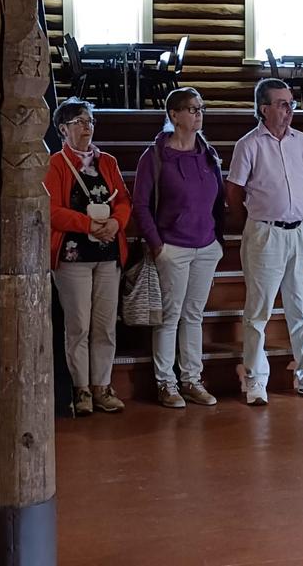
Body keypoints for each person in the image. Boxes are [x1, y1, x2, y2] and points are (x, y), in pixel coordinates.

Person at [226, 78, 303, 405]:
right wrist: (253, 222)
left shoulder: (302, 141)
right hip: (265, 233)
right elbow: (233, 191)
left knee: (301, 309)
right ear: (264, 109)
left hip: (299, 232)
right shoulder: (248, 145)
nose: (289, 109)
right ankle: (256, 378)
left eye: (291, 103)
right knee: (258, 310)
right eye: (283, 104)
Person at [133, 88, 225, 409]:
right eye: (192, 109)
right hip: (172, 247)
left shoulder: (207, 152)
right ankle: (166, 383)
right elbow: (141, 205)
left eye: (201, 108)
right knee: (170, 317)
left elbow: (218, 200)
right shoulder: (155, 156)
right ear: (174, 115)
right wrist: (157, 245)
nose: (198, 114)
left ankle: (191, 380)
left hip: (206, 245)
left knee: (194, 315)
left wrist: (218, 241)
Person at [44, 98, 131, 417]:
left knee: (105, 324)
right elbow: (51, 209)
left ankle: (102, 386)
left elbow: (123, 200)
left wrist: (116, 223)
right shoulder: (55, 164)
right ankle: (80, 388)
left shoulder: (107, 161)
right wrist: (88, 225)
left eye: (90, 121)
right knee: (78, 324)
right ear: (62, 129)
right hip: (73, 254)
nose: (87, 127)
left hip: (107, 252)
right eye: (79, 122)